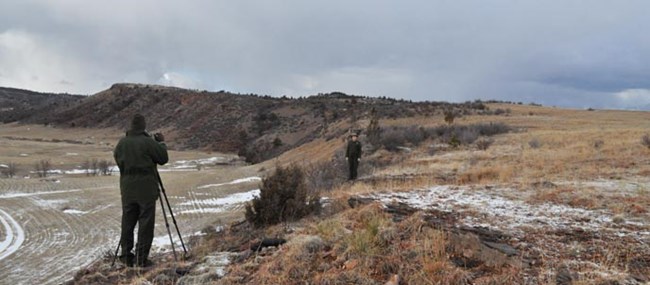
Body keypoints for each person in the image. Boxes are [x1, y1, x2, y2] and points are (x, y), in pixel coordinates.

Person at [113, 114, 168, 267]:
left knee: (128, 222)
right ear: (143, 126)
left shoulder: (122, 143)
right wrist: (161, 142)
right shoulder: (147, 142)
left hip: (127, 189)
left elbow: (119, 161)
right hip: (146, 189)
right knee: (145, 223)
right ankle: (140, 259)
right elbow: (163, 158)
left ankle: (125, 256)